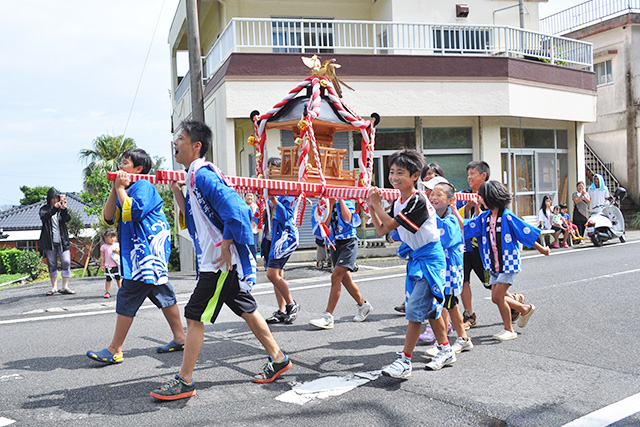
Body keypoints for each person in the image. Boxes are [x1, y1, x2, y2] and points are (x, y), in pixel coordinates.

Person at [153, 120, 291, 401]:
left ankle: (185, 380)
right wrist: (176, 188)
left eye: (180, 138)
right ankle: (278, 358)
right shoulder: (193, 175)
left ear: (196, 146)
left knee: (193, 316)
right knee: (247, 309)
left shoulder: (203, 175)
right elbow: (192, 214)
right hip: (219, 262)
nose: (174, 143)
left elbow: (237, 209)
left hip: (217, 264)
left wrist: (227, 243)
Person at [87, 148, 186, 365]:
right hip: (143, 255)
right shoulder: (126, 188)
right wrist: (116, 188)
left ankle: (115, 349)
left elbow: (135, 211)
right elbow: (108, 217)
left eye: (124, 163)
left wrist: (121, 189)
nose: (120, 167)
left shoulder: (144, 186)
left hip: (146, 254)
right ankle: (180, 337)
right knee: (163, 294)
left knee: (127, 296)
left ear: (138, 169)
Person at [368, 149, 453, 376]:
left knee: (414, 309)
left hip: (430, 259)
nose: (394, 177)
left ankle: (405, 361)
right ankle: (446, 349)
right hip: (417, 258)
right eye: (392, 172)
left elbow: (391, 224)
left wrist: (376, 205)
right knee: (430, 309)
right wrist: (371, 207)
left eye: (400, 173)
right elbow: (382, 229)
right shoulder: (399, 202)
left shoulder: (417, 200)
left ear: (415, 176)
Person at [464, 181, 550, 341]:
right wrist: (456, 211)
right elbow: (467, 226)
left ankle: (509, 329)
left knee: (497, 297)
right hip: (494, 265)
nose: (480, 199)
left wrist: (542, 248)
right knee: (497, 297)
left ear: (490, 198)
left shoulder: (507, 216)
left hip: (508, 263)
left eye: (481, 197)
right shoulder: (485, 216)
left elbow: (524, 233)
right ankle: (524, 309)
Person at [423, 182, 474, 357]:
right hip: (439, 270)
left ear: (451, 200)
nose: (433, 198)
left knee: (449, 306)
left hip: (450, 271)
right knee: (445, 306)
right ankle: (451, 340)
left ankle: (459, 339)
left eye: (439, 195)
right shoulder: (433, 217)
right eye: (432, 195)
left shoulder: (451, 219)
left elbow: (443, 239)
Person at [309, 198, 372, 329]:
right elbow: (323, 228)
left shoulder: (346, 200)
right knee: (345, 279)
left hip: (349, 242)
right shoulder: (321, 205)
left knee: (336, 277)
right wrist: (330, 205)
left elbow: (349, 219)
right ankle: (363, 305)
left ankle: (328, 316)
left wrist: (340, 199)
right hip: (334, 243)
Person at [457, 161, 491, 329]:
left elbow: (489, 221)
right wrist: (468, 206)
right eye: (468, 174)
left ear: (483, 175)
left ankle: (514, 303)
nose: (469, 177)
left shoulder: (491, 195)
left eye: (473, 173)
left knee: (491, 284)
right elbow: (456, 218)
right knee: (464, 281)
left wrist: (478, 208)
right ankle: (468, 314)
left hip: (483, 248)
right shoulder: (463, 195)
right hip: (464, 247)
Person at [262, 195, 300, 325]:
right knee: (277, 276)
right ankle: (282, 310)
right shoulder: (270, 191)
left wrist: (273, 200)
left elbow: (286, 216)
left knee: (272, 274)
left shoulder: (287, 192)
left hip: (282, 240)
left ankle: (291, 304)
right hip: (269, 239)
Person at [39, 188, 75, 296]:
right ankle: (54, 287)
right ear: (49, 199)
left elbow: (67, 219)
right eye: (53, 198)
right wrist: (54, 209)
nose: (55, 200)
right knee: (52, 264)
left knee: (66, 261)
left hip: (62, 241)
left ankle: (65, 287)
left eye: (56, 198)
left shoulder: (61, 209)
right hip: (49, 242)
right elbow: (44, 217)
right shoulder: (44, 209)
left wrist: (64, 209)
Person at [100, 228, 122, 298]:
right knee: (108, 279)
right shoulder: (104, 247)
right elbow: (102, 257)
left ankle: (121, 290)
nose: (112, 239)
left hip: (117, 265)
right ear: (106, 238)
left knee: (118, 279)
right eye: (110, 237)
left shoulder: (117, 245)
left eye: (114, 237)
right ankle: (107, 292)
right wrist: (102, 265)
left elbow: (121, 254)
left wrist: (117, 252)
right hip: (108, 265)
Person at [244, 193, 259, 257]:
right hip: (244, 230)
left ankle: (254, 264)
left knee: (254, 249)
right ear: (245, 197)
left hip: (254, 230)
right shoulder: (242, 205)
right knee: (244, 248)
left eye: (251, 196)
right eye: (248, 196)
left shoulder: (256, 207)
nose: (249, 197)